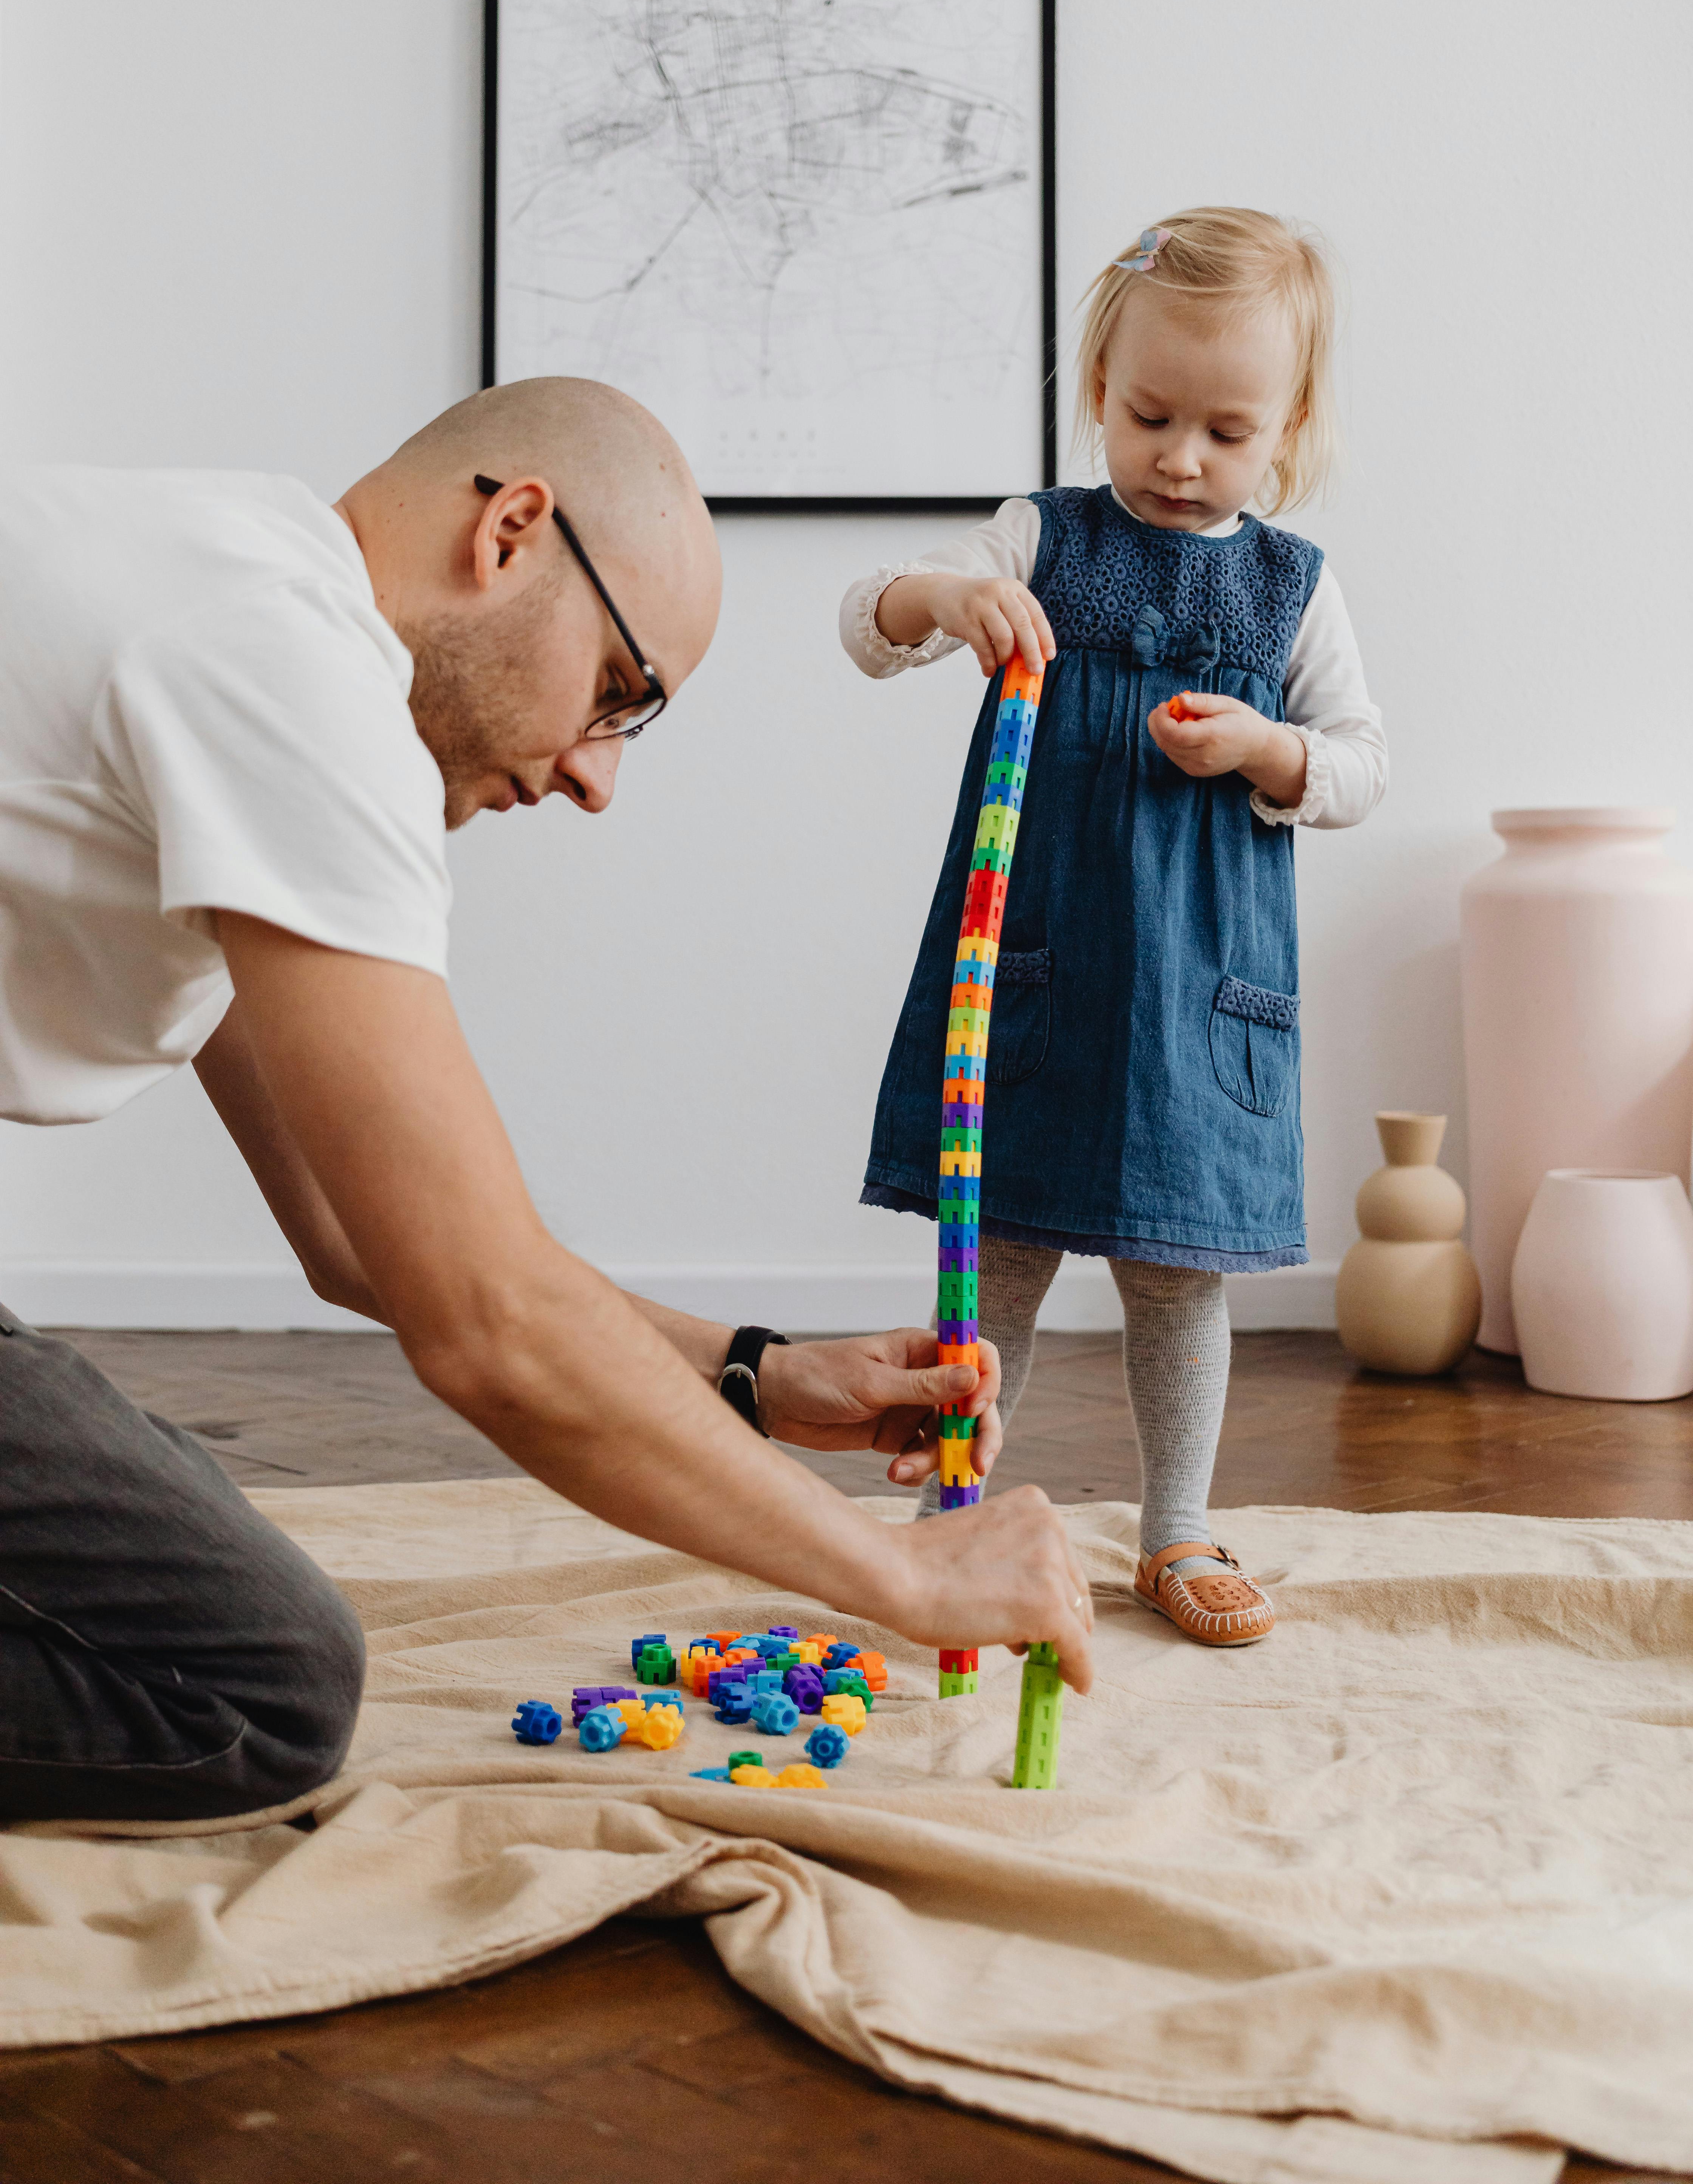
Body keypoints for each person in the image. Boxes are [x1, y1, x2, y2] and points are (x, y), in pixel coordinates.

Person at [0, 377, 1093, 1826]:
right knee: (248, 1683)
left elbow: (357, 1235)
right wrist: (901, 1573)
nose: (597, 777)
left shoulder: (227, 585)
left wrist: (757, 1373)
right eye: (620, 695)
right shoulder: (289, 673)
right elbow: (487, 1321)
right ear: (513, 531)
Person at [840, 210, 1388, 1647]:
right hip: (1033, 976)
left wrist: (1270, 752)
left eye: (1225, 429)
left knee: (1176, 1276)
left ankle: (1178, 1530)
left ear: (1291, 426)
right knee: (994, 1257)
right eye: (1150, 416)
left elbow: (1360, 767)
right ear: (1100, 383)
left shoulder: (1296, 586)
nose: (1181, 457)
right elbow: (867, 626)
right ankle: (949, 1517)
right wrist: (946, 596)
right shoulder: (1043, 537)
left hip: (1201, 994)